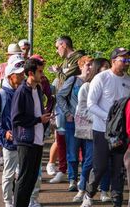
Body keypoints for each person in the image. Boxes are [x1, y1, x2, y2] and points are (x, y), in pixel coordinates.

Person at [81, 48, 130, 207]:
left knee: (118, 169)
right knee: (100, 167)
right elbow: (91, 104)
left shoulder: (128, 81)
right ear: (114, 60)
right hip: (102, 130)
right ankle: (89, 194)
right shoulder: (101, 78)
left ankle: (117, 202)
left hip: (121, 134)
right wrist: (109, 118)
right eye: (123, 60)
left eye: (128, 60)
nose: (126, 63)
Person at [11, 58, 51, 207]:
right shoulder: (21, 91)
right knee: (24, 178)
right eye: (39, 71)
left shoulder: (38, 89)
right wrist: (38, 120)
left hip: (38, 139)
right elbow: (16, 119)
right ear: (30, 73)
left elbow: (37, 112)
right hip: (26, 140)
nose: (42, 74)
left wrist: (44, 118)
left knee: (32, 178)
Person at [72, 58, 111, 202]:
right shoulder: (86, 86)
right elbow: (82, 110)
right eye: (104, 67)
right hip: (91, 131)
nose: (107, 69)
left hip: (108, 130)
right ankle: (82, 189)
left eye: (108, 66)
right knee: (89, 162)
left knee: (107, 162)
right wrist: (99, 118)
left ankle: (104, 191)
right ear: (96, 69)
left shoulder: (111, 85)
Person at [0, 56, 25, 207]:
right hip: (9, 141)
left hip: (25, 139)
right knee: (8, 174)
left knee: (22, 174)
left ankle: (21, 200)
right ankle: (8, 202)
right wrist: (3, 132)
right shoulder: (1, 94)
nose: (23, 76)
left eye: (23, 73)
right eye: (19, 74)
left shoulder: (24, 91)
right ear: (11, 76)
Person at [49, 36, 85, 184]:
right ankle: (63, 170)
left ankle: (75, 173)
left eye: (57, 47)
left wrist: (57, 71)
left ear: (64, 45)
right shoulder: (66, 61)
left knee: (77, 139)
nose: (57, 51)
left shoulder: (78, 58)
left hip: (72, 105)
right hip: (62, 104)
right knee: (61, 137)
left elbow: (67, 78)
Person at [56, 55, 93, 192]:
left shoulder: (95, 81)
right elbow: (60, 95)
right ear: (81, 66)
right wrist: (67, 113)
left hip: (89, 122)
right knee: (72, 152)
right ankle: (72, 180)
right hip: (73, 122)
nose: (89, 67)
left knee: (87, 153)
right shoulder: (73, 80)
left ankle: (84, 180)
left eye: (91, 65)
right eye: (87, 64)